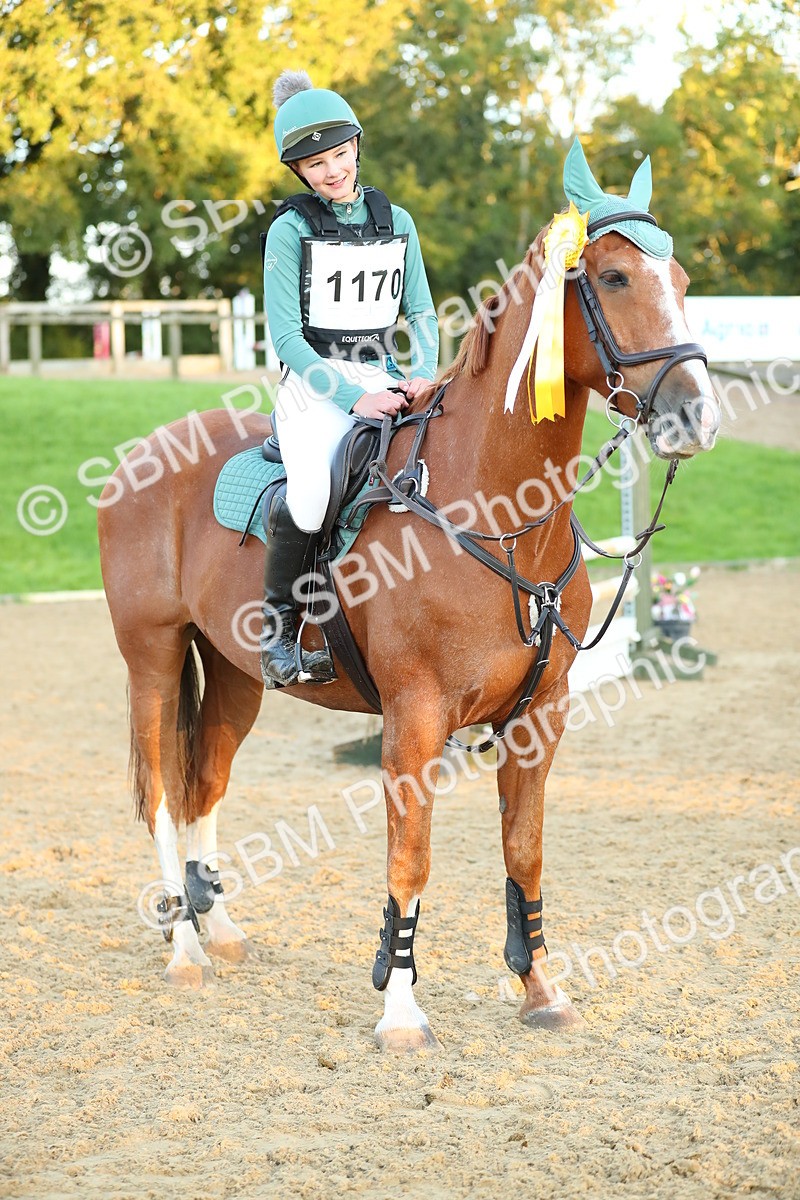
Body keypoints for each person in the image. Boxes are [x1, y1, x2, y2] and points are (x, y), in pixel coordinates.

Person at [260, 70, 440, 688]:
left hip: (385, 374)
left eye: (338, 155)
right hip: (313, 386)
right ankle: (278, 629)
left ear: (356, 148)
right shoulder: (289, 231)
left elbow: (420, 311)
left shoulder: (400, 221)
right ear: (300, 172)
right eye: (315, 163)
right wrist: (353, 396)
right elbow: (286, 338)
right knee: (311, 494)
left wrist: (420, 373)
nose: (331, 170)